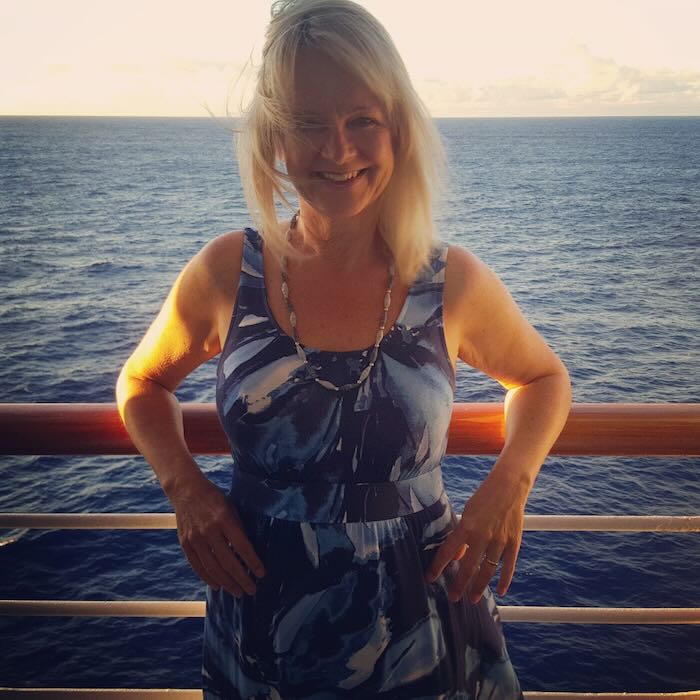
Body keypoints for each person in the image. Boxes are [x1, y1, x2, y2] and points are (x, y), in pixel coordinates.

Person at [116, 0, 571, 697]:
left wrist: (508, 489)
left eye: (362, 120)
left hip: (426, 628)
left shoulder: (450, 281)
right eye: (308, 123)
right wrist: (186, 489)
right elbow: (142, 383)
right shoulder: (224, 273)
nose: (337, 150)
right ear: (274, 136)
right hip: (268, 628)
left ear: (399, 131)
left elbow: (543, 378)